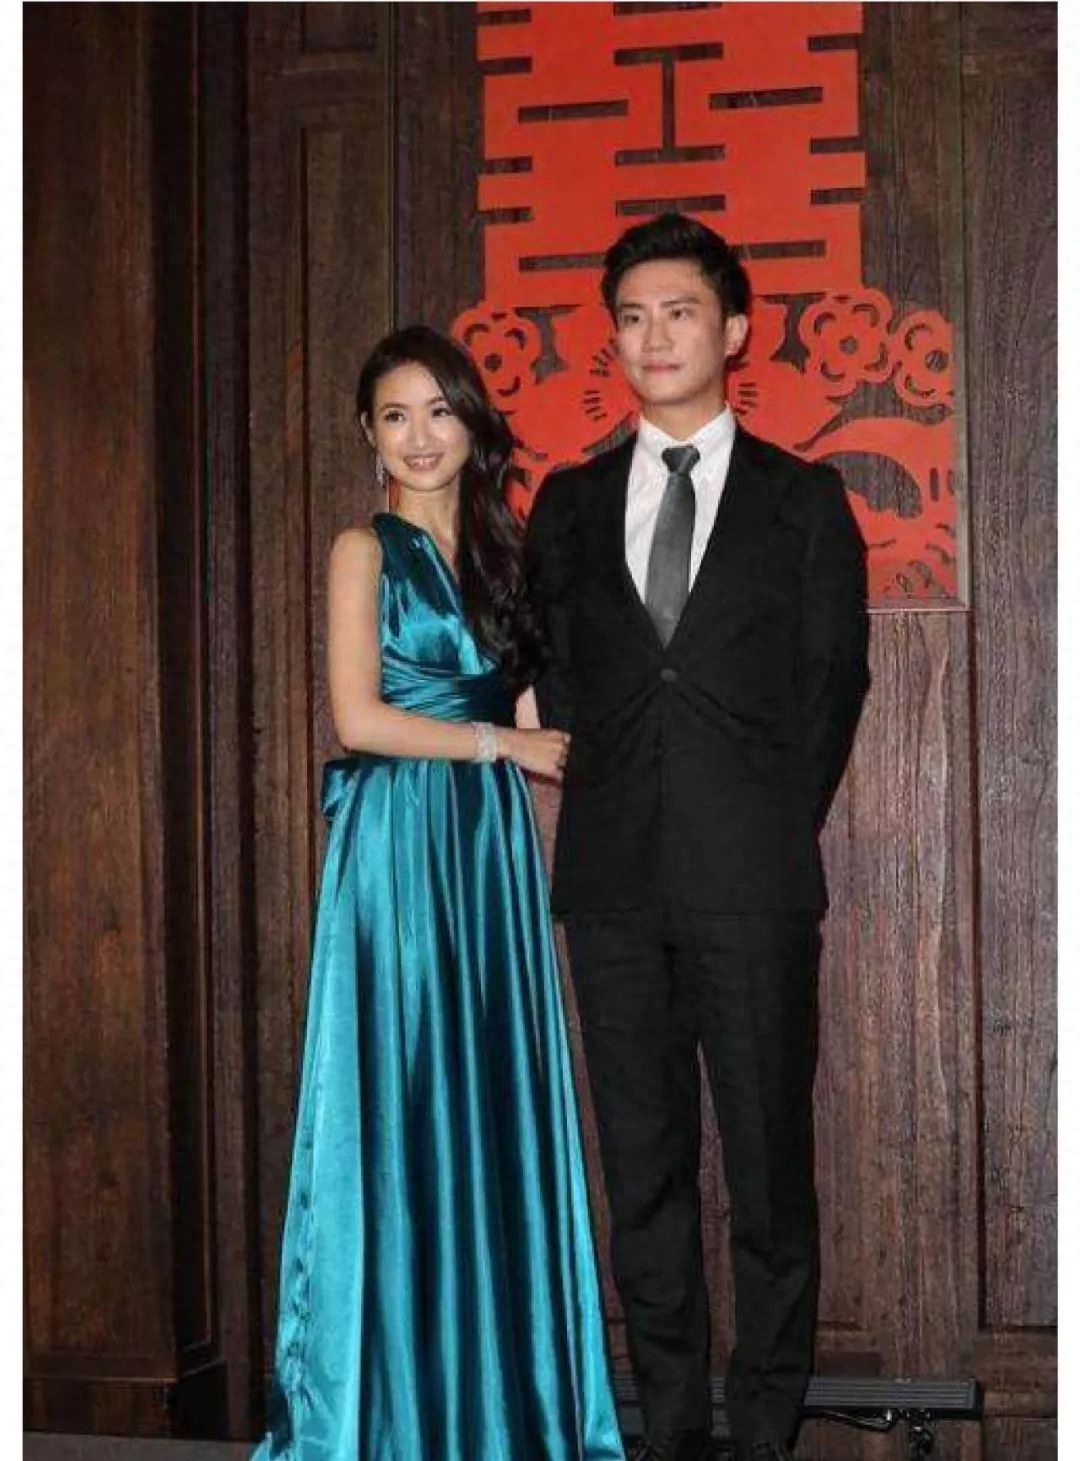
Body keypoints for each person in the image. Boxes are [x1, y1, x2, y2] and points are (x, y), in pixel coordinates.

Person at [524, 214, 870, 1461]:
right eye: (631, 317)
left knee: (771, 1172)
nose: (654, 336)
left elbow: (832, 681)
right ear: (613, 341)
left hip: (754, 883)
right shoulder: (566, 505)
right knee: (645, 1173)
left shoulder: (803, 499)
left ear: (733, 329)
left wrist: (765, 819)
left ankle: (764, 1428)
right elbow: (553, 672)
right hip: (612, 885)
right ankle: (671, 1431)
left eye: (678, 312)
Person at [253, 325, 625, 1461]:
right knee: (404, 1093)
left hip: (486, 846)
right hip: (401, 841)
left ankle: (502, 1409)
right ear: (368, 434)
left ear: (472, 424)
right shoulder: (361, 550)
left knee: (489, 1097)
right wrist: (503, 747)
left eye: (440, 411)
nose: (420, 437)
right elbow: (358, 719)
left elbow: (532, 704)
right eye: (396, 415)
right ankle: (390, 1413)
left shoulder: (505, 556)